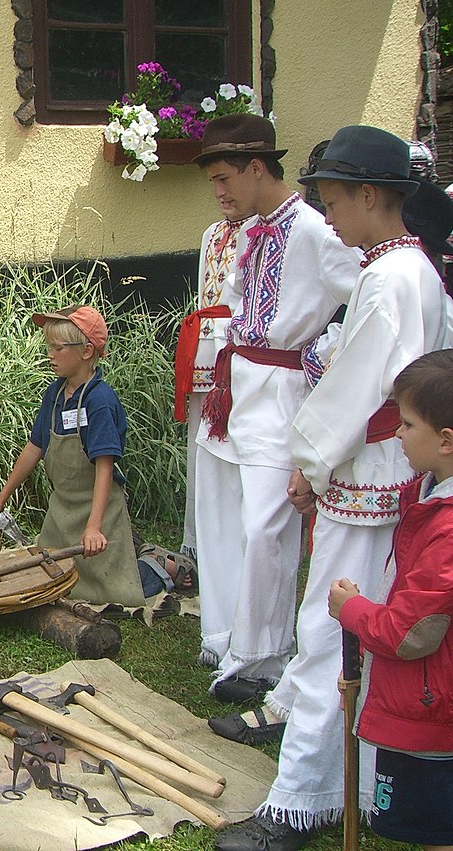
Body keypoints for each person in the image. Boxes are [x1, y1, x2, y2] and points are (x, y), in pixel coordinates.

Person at [214, 125, 453, 851]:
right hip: (390, 471)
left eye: (334, 200)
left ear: (370, 196)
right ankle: (372, 769)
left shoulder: (388, 279)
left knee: (329, 627)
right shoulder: (415, 271)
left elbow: (357, 393)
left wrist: (310, 462)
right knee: (353, 629)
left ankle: (302, 799)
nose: (328, 216)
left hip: (368, 473)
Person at [191, 114, 360, 703]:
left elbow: (364, 295)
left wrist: (320, 353)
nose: (219, 192)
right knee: (232, 515)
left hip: (283, 393)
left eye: (223, 178)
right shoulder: (253, 229)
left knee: (268, 524)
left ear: (257, 167)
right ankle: (234, 634)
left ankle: (263, 653)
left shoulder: (314, 229)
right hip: (237, 388)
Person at [329, 350, 453, 851]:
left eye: (406, 424)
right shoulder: (429, 497)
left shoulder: (447, 530)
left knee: (437, 831)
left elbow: (411, 631)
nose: (397, 434)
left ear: (445, 440)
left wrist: (352, 612)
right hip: (430, 704)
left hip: (433, 715)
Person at [0, 305, 149, 607]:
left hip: (98, 510)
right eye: (49, 347)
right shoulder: (55, 394)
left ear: (86, 352)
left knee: (113, 589)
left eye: (58, 348)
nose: (51, 355)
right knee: (49, 578)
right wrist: (0, 499)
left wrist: (94, 527)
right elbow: (34, 448)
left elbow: (104, 467)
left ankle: (164, 569)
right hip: (62, 510)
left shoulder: (99, 400)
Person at [173, 173, 253, 566]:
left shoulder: (263, 232)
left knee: (235, 446)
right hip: (205, 348)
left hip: (242, 353)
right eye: (214, 183)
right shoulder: (211, 233)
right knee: (199, 446)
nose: (220, 193)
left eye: (227, 181)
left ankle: (231, 545)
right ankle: (197, 539)